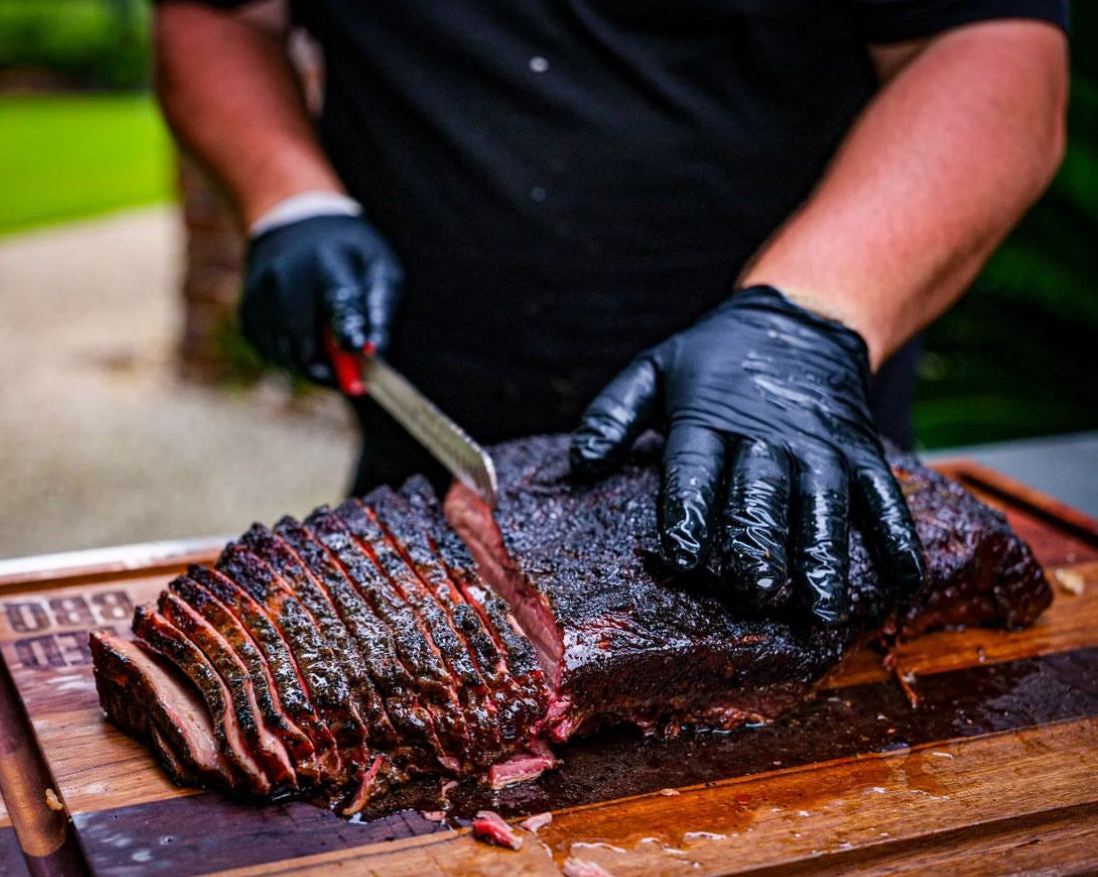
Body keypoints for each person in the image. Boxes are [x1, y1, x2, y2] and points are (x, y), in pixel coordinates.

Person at [152, 0, 1069, 627]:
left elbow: (990, 46)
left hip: (785, 447)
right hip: (429, 458)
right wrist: (288, 198)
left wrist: (806, 317)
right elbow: (221, 12)